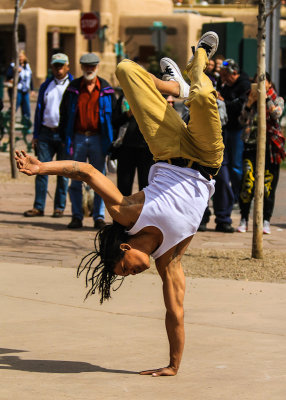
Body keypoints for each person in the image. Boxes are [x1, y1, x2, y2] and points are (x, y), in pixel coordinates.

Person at [15, 31, 224, 377]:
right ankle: (198, 59)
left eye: (124, 268)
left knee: (126, 69)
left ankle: (174, 87)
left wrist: (42, 168)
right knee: (203, 95)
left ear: (124, 246)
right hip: (206, 158)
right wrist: (173, 365)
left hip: (168, 149)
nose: (132, 273)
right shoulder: (169, 260)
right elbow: (176, 313)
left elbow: (85, 171)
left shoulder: (127, 213)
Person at [59, 53, 116, 230]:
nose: (89, 69)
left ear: (97, 67)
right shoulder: (73, 88)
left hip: (99, 139)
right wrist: (64, 138)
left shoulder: (106, 89)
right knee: (75, 178)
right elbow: (64, 114)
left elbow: (113, 117)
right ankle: (77, 216)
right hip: (78, 137)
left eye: (92, 66)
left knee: (99, 180)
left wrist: (112, 142)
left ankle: (98, 217)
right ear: (81, 67)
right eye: (86, 66)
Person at [23, 53, 73, 218]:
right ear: (51, 67)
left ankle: (59, 207)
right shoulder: (46, 85)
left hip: (64, 135)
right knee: (40, 170)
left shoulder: (73, 86)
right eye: (55, 66)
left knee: (63, 172)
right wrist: (36, 135)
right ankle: (39, 206)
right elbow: (39, 111)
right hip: (45, 133)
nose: (58, 69)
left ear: (67, 66)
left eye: (61, 66)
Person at [237, 73, 285, 234]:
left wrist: (265, 99)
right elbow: (241, 121)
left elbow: (276, 114)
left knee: (268, 186)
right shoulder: (249, 99)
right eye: (257, 82)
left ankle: (266, 221)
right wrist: (250, 103)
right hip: (251, 147)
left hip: (271, 149)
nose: (259, 85)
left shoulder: (277, 99)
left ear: (270, 84)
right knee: (247, 182)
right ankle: (244, 218)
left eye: (263, 82)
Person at [218, 59, 250, 203]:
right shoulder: (225, 86)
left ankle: (238, 196)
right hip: (226, 129)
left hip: (238, 130)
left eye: (225, 75)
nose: (223, 79)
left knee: (236, 166)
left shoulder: (244, 85)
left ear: (234, 73)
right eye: (222, 76)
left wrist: (224, 102)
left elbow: (239, 106)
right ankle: (230, 195)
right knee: (226, 165)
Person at [112, 94, 154, 195]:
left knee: (146, 189)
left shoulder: (151, 95)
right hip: (125, 149)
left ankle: (144, 211)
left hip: (146, 150)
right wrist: (127, 114)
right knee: (123, 189)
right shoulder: (124, 98)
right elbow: (114, 122)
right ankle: (123, 211)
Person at [6, 50, 33, 121]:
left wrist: (32, 90)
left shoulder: (27, 66)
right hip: (17, 90)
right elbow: (8, 75)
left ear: (24, 57)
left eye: (21, 56)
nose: (20, 58)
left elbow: (30, 78)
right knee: (15, 107)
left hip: (25, 90)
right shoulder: (13, 65)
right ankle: (7, 120)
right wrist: (16, 71)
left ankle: (26, 124)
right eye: (18, 57)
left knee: (26, 108)